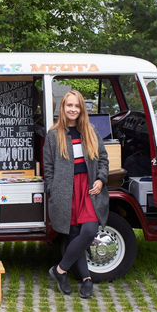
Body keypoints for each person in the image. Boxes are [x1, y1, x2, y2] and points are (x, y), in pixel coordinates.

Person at [43, 90, 109, 298]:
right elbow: (48, 168)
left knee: (89, 231)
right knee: (73, 236)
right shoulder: (54, 135)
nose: (72, 109)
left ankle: (60, 270)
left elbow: (104, 159)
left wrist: (100, 179)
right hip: (66, 192)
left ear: (82, 109)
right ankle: (87, 280)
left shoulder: (90, 131)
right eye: (68, 105)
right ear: (62, 108)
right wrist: (53, 190)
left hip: (88, 190)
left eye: (76, 106)